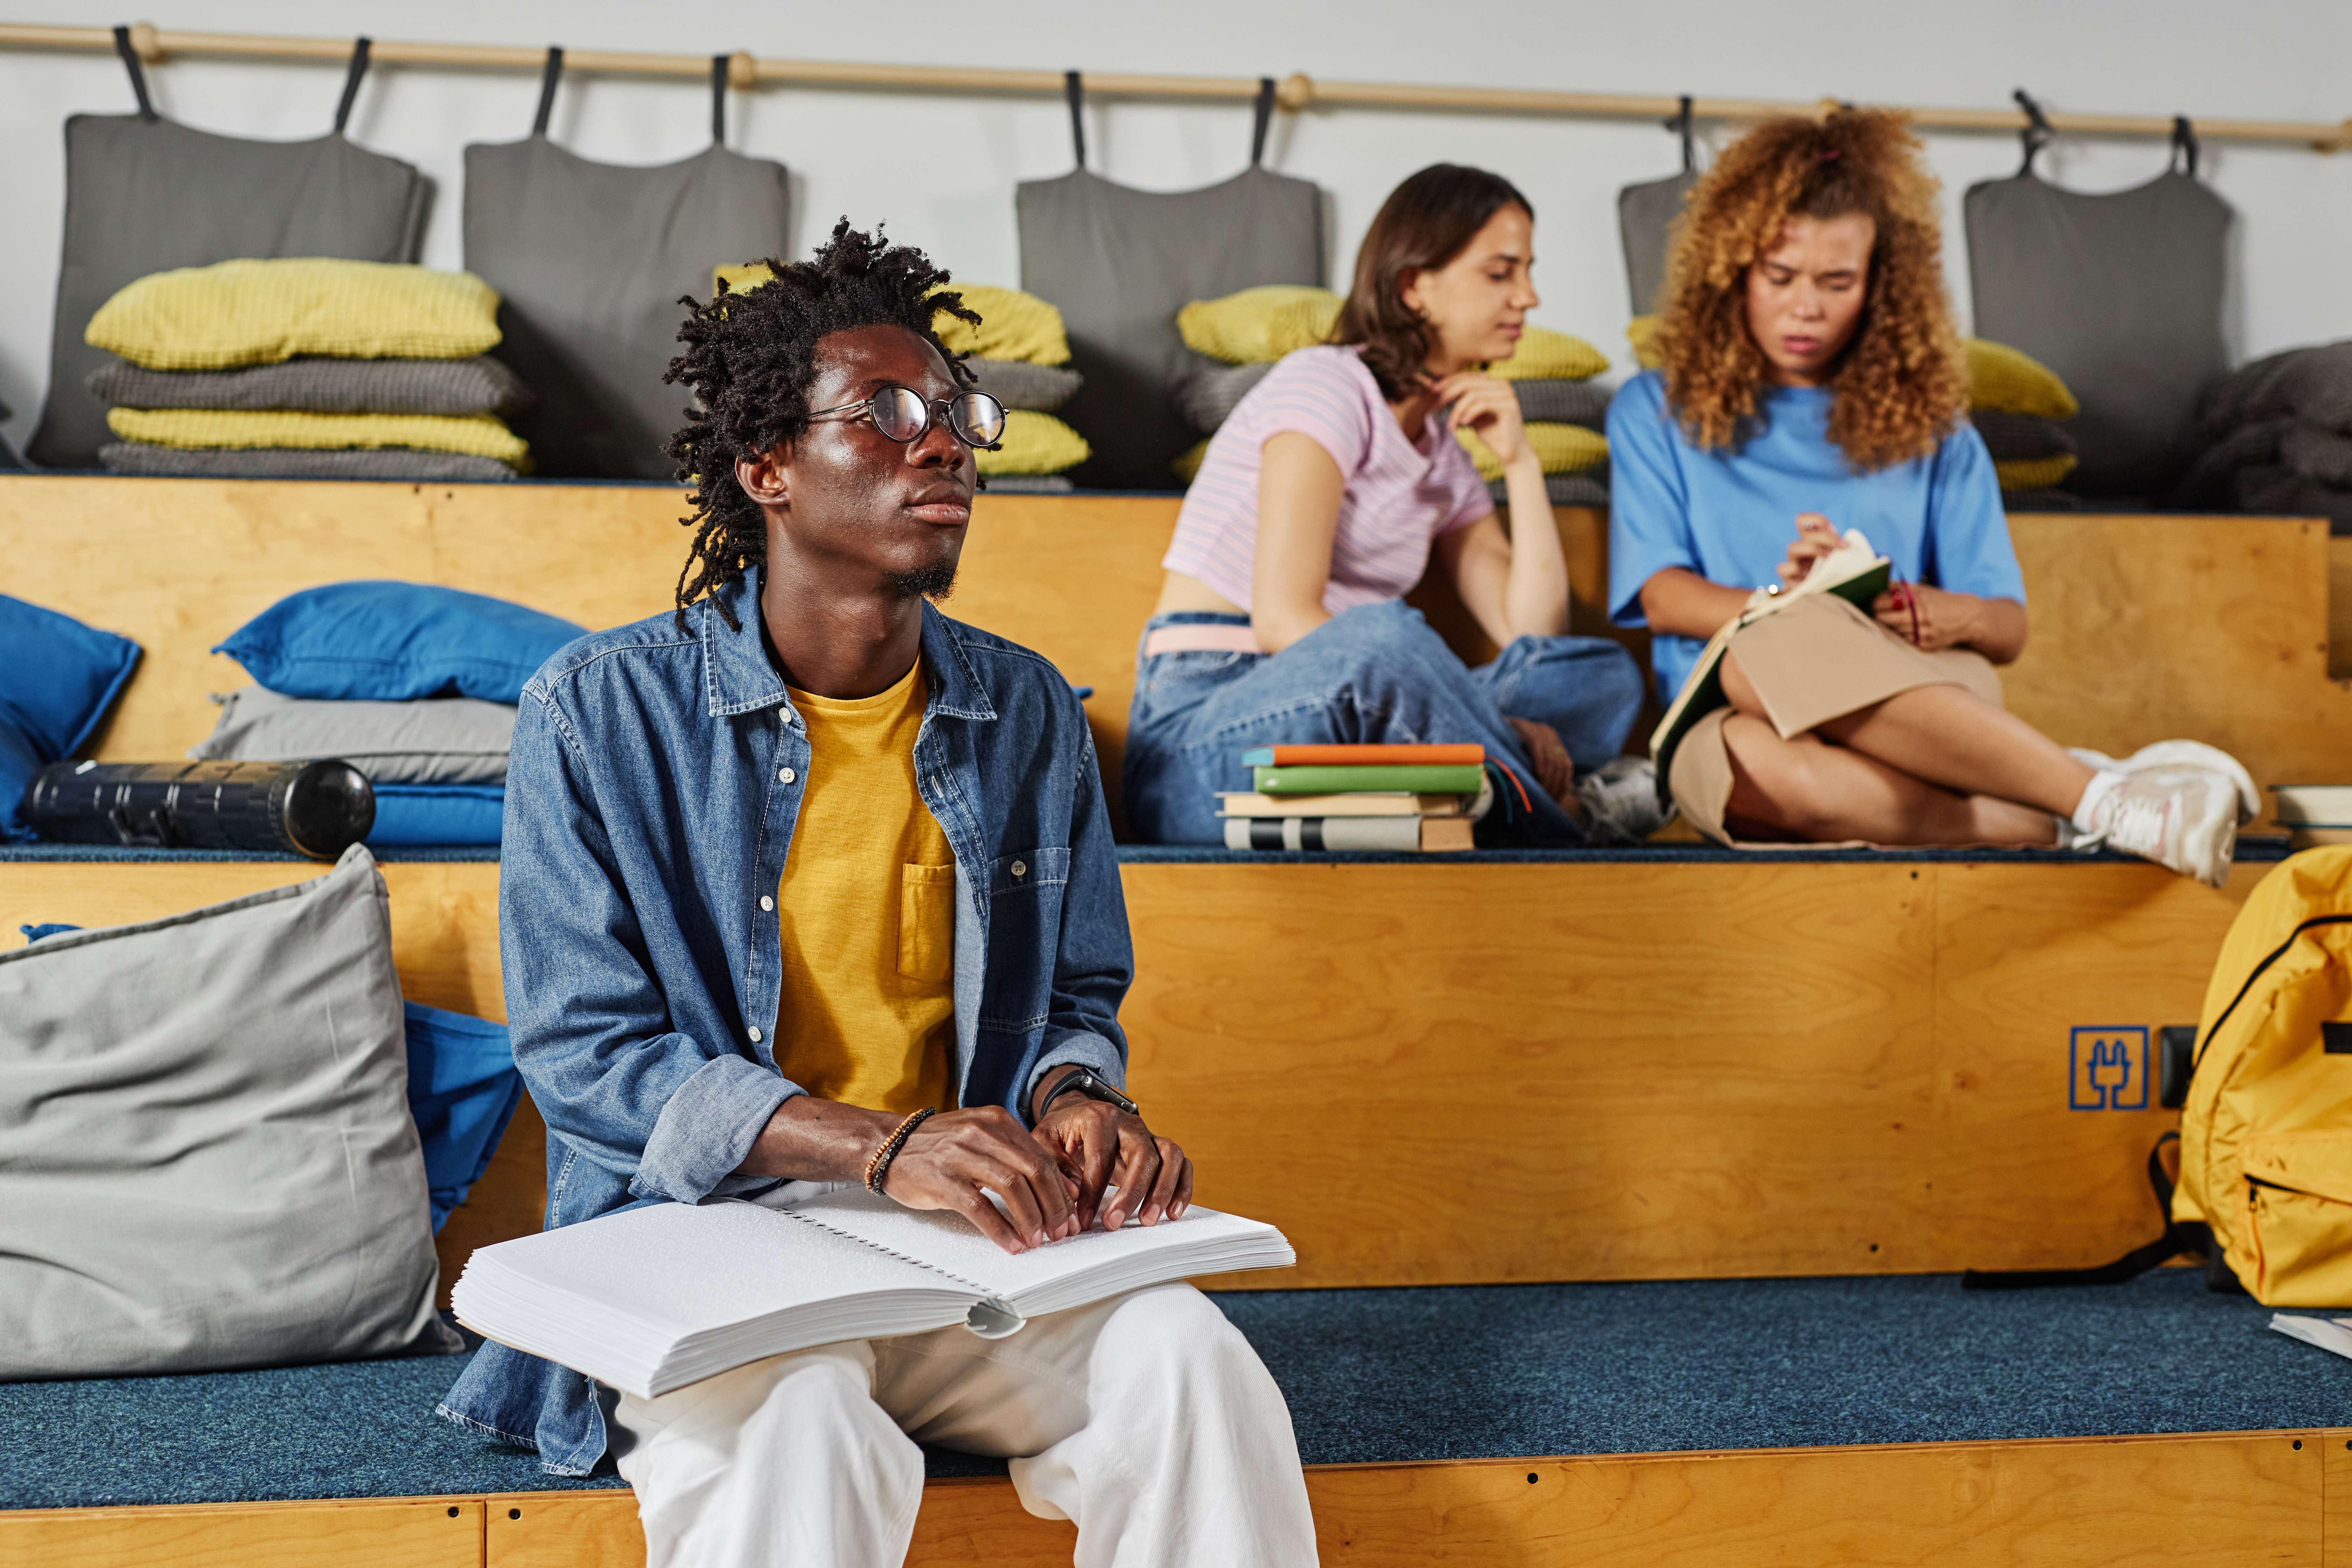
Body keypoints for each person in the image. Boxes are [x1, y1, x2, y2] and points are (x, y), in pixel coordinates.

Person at [437, 223, 1317, 1568]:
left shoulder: (1024, 708)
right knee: (802, 1431)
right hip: (712, 1242)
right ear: (767, 467)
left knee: (1193, 1365)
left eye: (961, 414)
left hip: (974, 1241)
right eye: (888, 414)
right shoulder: (599, 714)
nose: (945, 443)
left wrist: (1083, 1101)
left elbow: (1075, 996)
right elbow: (585, 1055)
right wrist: (879, 1148)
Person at [1606, 110, 2254, 884]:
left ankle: (2094, 800)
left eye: (1837, 281)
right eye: (1779, 277)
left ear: (1881, 287)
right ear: (1735, 270)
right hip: (1730, 711)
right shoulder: (1652, 409)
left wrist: (1939, 612)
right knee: (1759, 703)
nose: (1806, 306)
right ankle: (2062, 806)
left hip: (1912, 693)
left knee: (1787, 655)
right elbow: (1665, 597)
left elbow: (2005, 628)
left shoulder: (1938, 431)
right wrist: (1792, 604)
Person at [1127, 163, 1651, 846]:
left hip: (1350, 733)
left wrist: (1520, 463)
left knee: (1595, 673)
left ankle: (1488, 776)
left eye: (1528, 271)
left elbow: (1532, 631)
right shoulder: (1326, 386)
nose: (1529, 296)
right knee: (1384, 636)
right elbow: (1286, 620)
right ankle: (1567, 826)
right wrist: (1490, 721)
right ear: (1414, 286)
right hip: (1206, 740)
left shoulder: (1444, 451)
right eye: (1501, 272)